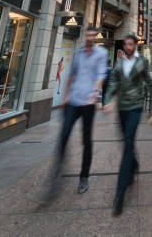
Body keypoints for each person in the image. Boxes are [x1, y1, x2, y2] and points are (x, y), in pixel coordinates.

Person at [104, 35, 152, 216]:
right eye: (125, 44)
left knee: (128, 143)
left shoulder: (142, 62)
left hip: (135, 107)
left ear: (135, 46)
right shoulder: (119, 63)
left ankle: (119, 195)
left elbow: (150, 85)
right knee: (126, 142)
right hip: (122, 108)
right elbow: (113, 82)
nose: (127, 47)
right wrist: (107, 100)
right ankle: (134, 165)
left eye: (130, 44)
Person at [51, 28, 108, 196]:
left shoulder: (101, 53)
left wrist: (94, 95)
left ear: (96, 36)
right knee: (63, 136)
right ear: (85, 36)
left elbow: (100, 75)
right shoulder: (79, 53)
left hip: (88, 103)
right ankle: (57, 172)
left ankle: (84, 176)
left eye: (92, 35)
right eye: (87, 34)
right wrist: (65, 97)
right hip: (73, 101)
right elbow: (72, 75)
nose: (89, 37)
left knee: (86, 140)